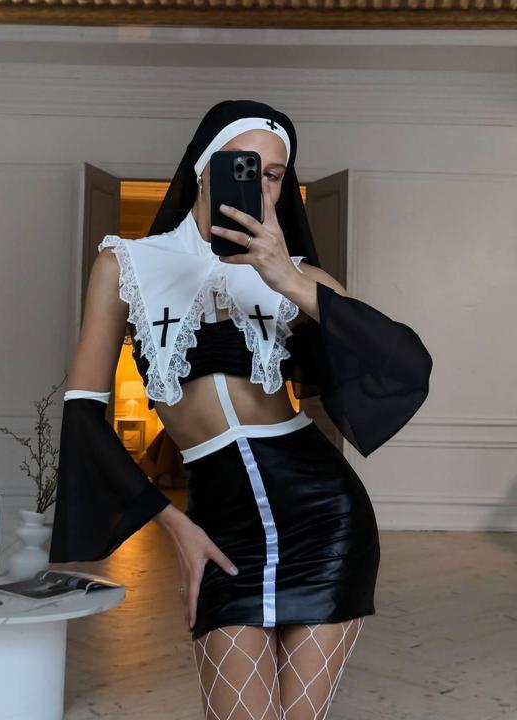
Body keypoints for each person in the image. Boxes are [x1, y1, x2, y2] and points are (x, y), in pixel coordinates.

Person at [49, 99, 433, 719]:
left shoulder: (299, 276)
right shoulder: (125, 265)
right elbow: (81, 418)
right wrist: (174, 526)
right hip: (221, 528)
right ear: (205, 167)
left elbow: (404, 363)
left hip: (325, 521)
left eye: (274, 174)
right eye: (243, 165)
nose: (260, 182)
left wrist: (287, 279)